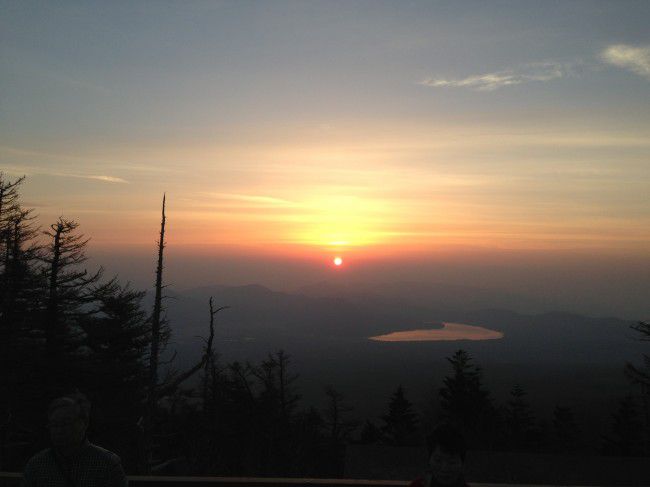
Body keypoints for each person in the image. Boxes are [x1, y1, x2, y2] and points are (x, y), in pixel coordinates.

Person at [22, 393, 128, 487]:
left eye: (65, 423)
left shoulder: (37, 464)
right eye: (54, 425)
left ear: (84, 424)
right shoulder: (107, 463)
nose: (59, 430)